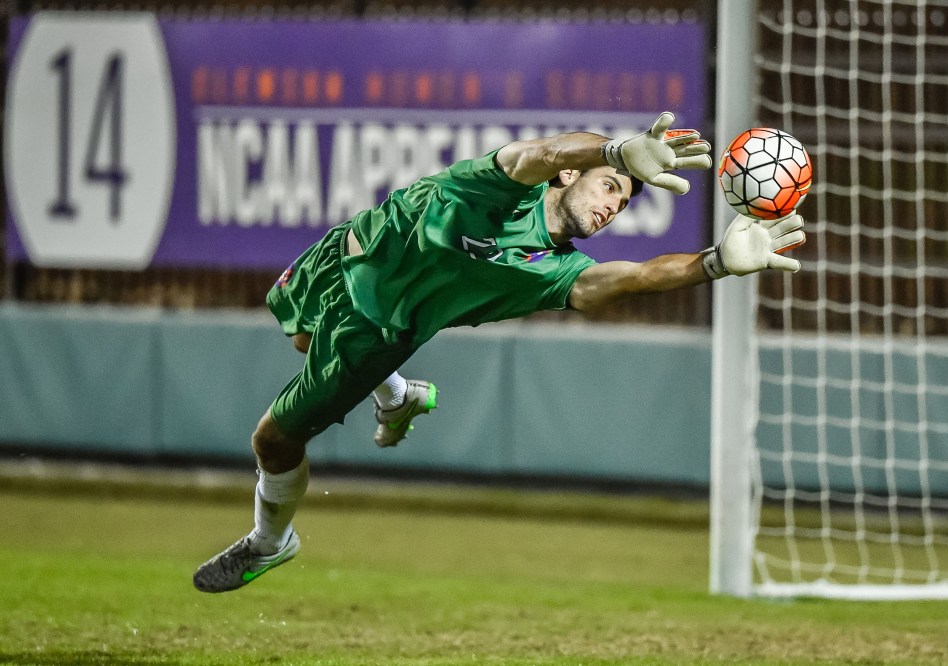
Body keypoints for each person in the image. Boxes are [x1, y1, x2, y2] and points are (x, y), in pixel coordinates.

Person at [193, 112, 805, 593]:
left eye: (620, 204)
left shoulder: (554, 269)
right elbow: (537, 154)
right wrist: (613, 150)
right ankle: (400, 396)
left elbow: (636, 277)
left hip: (373, 333)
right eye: (609, 188)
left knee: (271, 442)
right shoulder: (503, 191)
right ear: (574, 175)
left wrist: (714, 264)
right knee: (299, 336)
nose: (612, 204)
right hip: (352, 245)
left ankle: (271, 541)